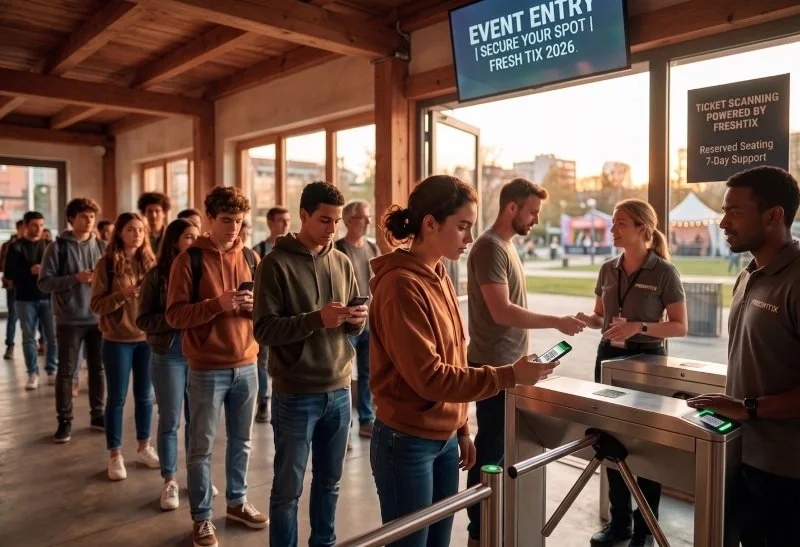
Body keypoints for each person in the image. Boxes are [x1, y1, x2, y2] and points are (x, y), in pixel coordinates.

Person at [368, 174, 559, 547]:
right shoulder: (400, 286)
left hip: (440, 440)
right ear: (429, 224)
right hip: (406, 441)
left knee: (438, 541)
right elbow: (430, 377)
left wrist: (460, 428)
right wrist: (509, 375)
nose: (469, 239)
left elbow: (453, 355)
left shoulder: (439, 273)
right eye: (462, 227)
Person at [464, 178, 585, 543]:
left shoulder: (507, 246)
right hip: (493, 369)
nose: (535, 219)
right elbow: (501, 311)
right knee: (490, 452)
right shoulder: (489, 248)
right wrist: (556, 322)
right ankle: (479, 528)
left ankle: (490, 521)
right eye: (532, 212)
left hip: (512, 368)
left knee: (500, 451)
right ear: (511, 208)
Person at [687, 166, 800, 547]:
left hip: (788, 473)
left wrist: (747, 407)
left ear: (773, 215)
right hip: (743, 456)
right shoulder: (748, 274)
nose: (722, 223)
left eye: (734, 211)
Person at [254, 182, 365, 547]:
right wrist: (316, 319)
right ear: (302, 215)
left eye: (335, 221)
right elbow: (264, 330)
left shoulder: (342, 260)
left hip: (339, 389)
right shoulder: (275, 263)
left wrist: (357, 318)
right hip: (296, 393)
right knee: (288, 489)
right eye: (324, 220)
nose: (332, 229)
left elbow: (350, 326)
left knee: (330, 483)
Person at [575, 199, 687, 547]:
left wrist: (639, 327)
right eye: (612, 222)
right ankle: (618, 522)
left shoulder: (664, 272)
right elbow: (600, 317)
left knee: (646, 443)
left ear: (643, 228)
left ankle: (645, 528)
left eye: (620, 223)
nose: (612, 229)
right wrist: (586, 320)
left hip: (649, 363)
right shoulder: (608, 269)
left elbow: (680, 327)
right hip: (608, 359)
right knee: (610, 439)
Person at [166, 186, 267, 547]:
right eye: (226, 221)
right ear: (210, 219)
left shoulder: (253, 259)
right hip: (207, 367)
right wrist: (217, 303)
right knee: (201, 446)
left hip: (248, 363)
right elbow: (175, 315)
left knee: (243, 442)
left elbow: (266, 313)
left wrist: (250, 306)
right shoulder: (189, 260)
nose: (233, 229)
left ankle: (237, 502)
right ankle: (202, 517)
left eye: (239, 222)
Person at [137, 218, 206, 510]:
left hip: (200, 353)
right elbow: (143, 319)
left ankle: (196, 477)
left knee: (198, 420)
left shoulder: (203, 271)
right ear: (175, 241)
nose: (193, 242)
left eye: (196, 236)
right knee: (170, 420)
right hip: (169, 352)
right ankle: (170, 481)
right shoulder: (156, 275)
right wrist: (175, 318)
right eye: (187, 237)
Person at [90, 212, 159, 480]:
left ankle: (144, 446)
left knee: (145, 397)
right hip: (117, 340)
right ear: (120, 233)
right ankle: (115, 454)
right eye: (131, 229)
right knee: (117, 398)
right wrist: (123, 295)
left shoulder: (151, 263)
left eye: (141, 230)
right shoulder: (106, 264)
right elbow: (96, 305)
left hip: (146, 340)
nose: (137, 234)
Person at [38, 198, 107, 443]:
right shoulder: (56, 248)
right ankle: (64, 420)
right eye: (84, 216)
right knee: (66, 371)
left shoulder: (102, 246)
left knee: (99, 369)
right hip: (68, 319)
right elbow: (44, 283)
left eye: (91, 216)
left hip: (98, 318)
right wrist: (75, 278)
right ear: (71, 219)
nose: (89, 220)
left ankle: (98, 414)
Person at [335, 200, 380, 440]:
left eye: (368, 217)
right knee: (342, 373)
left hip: (370, 323)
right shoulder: (338, 250)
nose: (368, 222)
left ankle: (366, 419)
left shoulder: (373, 249)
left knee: (367, 373)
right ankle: (344, 425)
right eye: (363, 217)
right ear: (349, 221)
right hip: (345, 325)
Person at [4, 211, 57, 389]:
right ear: (26, 226)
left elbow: (59, 270)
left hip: (48, 298)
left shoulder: (50, 245)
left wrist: (43, 271)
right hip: (25, 298)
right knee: (28, 337)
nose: (38, 229)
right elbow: (9, 273)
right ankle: (32, 373)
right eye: (35, 225)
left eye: (41, 225)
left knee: (52, 336)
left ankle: (51, 370)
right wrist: (29, 271)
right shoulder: (16, 247)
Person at [251, 206, 291, 423]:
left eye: (287, 220)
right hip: (267, 313)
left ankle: (279, 399)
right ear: (270, 223)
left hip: (289, 316)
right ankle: (264, 401)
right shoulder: (259, 251)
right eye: (280, 220)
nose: (285, 224)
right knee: (263, 358)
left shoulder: (294, 251)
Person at [1, 219, 24, 360]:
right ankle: (10, 345)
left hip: (30, 287)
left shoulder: (35, 244)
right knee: (12, 316)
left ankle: (40, 343)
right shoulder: (8, 246)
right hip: (12, 286)